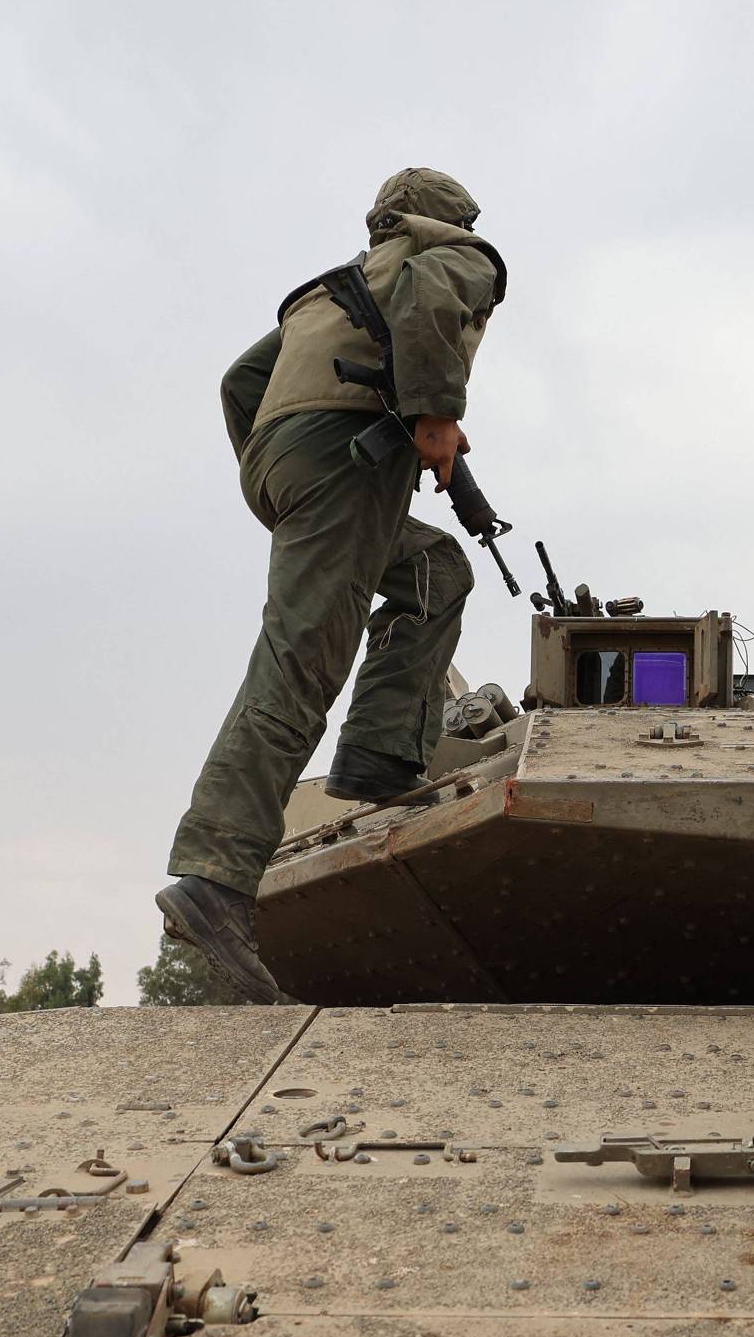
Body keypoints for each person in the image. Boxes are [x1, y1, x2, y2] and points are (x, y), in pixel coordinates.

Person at [160, 168, 507, 1002]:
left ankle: (380, 757)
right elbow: (435, 299)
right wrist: (433, 416)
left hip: (283, 460)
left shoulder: (332, 289)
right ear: (447, 220)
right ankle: (215, 873)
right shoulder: (455, 257)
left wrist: (280, 471)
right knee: (302, 661)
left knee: (437, 569)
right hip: (343, 463)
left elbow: (242, 381)